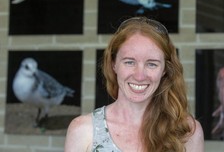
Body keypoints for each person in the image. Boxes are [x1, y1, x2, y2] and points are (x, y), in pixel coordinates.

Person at [64, 16, 204, 152]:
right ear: (113, 64)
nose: (139, 76)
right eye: (129, 62)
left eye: (151, 64)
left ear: (164, 70)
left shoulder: (187, 132)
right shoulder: (83, 130)